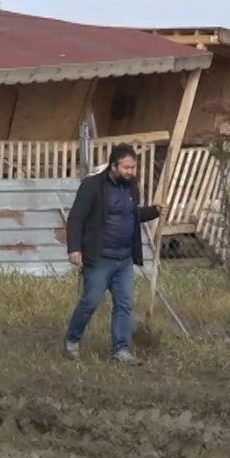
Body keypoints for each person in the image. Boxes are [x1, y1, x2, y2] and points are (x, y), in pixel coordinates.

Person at [63, 144, 161, 363]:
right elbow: (76, 218)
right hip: (100, 258)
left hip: (124, 258)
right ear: (114, 165)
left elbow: (130, 214)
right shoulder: (92, 186)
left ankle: (121, 349)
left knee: (125, 304)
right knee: (90, 301)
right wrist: (74, 248)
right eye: (126, 167)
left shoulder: (131, 187)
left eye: (133, 167)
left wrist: (153, 211)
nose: (130, 172)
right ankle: (72, 339)